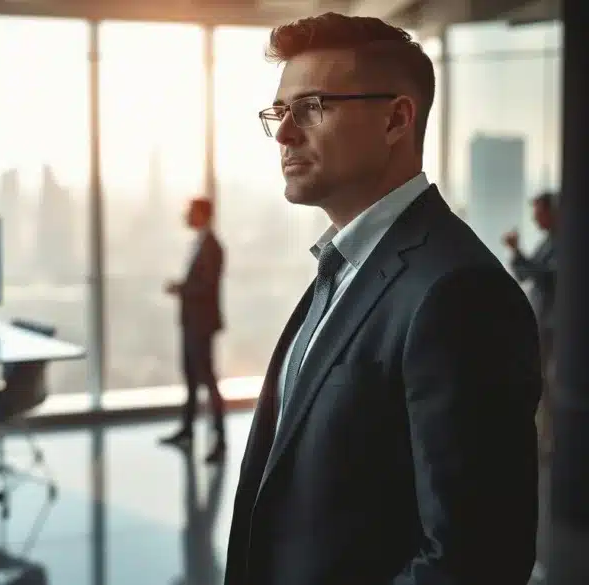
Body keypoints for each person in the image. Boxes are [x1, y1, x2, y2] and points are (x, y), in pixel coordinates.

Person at [224, 13, 542, 585]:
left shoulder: (457, 294)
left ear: (397, 119)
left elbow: (475, 561)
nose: (285, 134)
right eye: (280, 112)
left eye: (312, 107)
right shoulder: (347, 265)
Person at [160, 197, 227, 463]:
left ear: (203, 214)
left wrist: (180, 289)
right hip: (192, 323)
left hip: (201, 324)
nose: (186, 216)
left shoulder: (212, 247)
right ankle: (188, 430)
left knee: (208, 381)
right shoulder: (200, 243)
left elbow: (207, 286)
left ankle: (220, 441)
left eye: (190, 212)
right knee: (190, 377)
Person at [504, 191, 558, 457]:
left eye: (538, 211)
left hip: (553, 328)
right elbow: (528, 274)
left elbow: (544, 275)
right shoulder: (549, 242)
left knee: (551, 383)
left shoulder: (563, 243)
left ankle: (551, 442)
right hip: (544, 325)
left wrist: (517, 252)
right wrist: (516, 252)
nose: (535, 218)